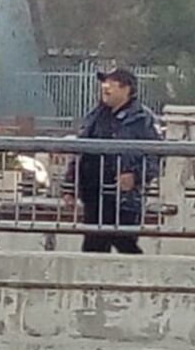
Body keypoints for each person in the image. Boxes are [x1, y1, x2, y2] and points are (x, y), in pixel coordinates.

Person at [63, 68, 161, 254]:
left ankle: (138, 277)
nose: (105, 86)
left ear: (127, 89)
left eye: (112, 82)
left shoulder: (142, 119)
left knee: (124, 242)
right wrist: (70, 186)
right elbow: (80, 153)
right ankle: (96, 282)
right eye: (104, 82)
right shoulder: (95, 116)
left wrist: (136, 176)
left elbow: (155, 155)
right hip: (93, 194)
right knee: (94, 245)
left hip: (123, 198)